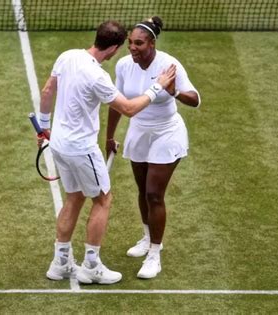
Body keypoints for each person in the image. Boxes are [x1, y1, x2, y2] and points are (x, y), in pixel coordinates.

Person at [37, 20, 176, 285]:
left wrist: (43, 127)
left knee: (74, 198)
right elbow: (129, 108)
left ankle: (60, 263)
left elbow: (47, 91)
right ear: (113, 48)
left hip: (59, 145)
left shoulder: (67, 56)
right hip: (81, 149)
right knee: (103, 199)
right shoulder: (98, 77)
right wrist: (157, 86)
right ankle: (91, 266)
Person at [106, 16, 201, 279]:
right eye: (130, 43)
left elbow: (195, 100)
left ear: (152, 43)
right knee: (142, 190)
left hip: (167, 133)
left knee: (154, 194)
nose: (132, 48)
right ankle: (147, 238)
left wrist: (173, 92)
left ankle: (154, 255)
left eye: (138, 43)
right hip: (139, 131)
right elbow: (119, 101)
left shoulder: (170, 65)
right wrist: (109, 136)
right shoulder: (125, 65)